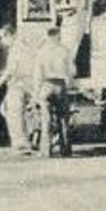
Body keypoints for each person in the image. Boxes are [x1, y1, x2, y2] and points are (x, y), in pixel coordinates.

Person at [26, 24, 74, 157]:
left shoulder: (42, 52)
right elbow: (72, 70)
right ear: (58, 36)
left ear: (47, 36)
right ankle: (66, 149)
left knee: (45, 118)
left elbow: (37, 73)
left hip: (46, 85)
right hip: (60, 85)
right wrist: (68, 84)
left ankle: (46, 150)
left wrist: (36, 92)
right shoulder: (64, 51)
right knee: (63, 118)